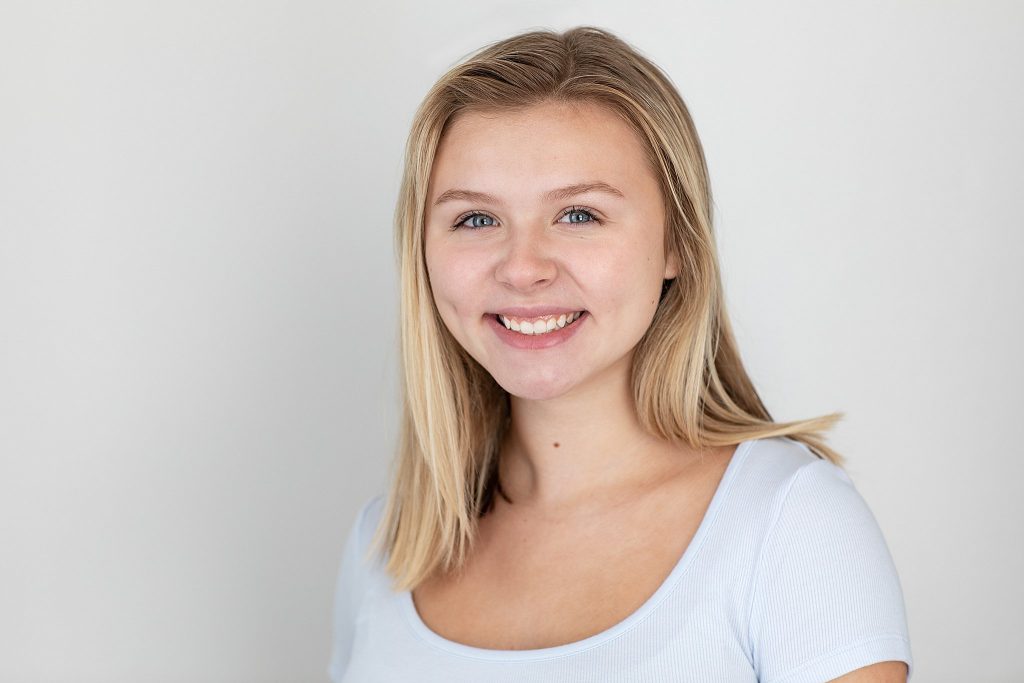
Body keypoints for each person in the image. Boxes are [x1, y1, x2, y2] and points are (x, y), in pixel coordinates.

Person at [328, 26, 912, 682]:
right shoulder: (383, 546)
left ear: (676, 244)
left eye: (579, 214)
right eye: (476, 219)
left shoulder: (790, 523)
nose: (522, 268)